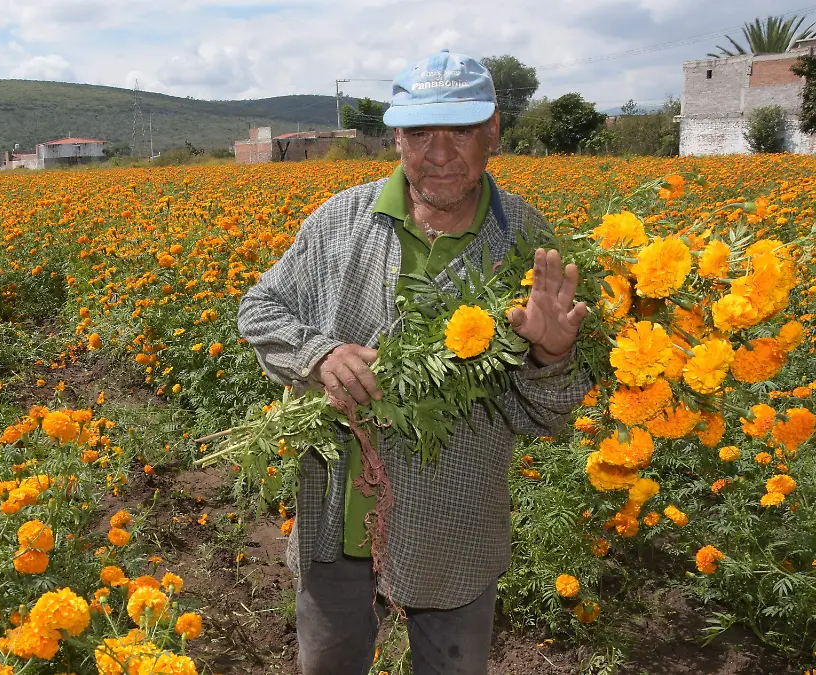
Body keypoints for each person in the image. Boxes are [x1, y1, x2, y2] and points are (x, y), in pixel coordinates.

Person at [236, 50, 592, 675]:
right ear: (396, 136)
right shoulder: (341, 222)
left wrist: (551, 355)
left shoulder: (526, 244)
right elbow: (260, 307)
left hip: (456, 527)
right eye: (421, 131)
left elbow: (548, 416)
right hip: (335, 520)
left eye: (461, 130)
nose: (440, 152)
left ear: (493, 131)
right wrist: (319, 356)